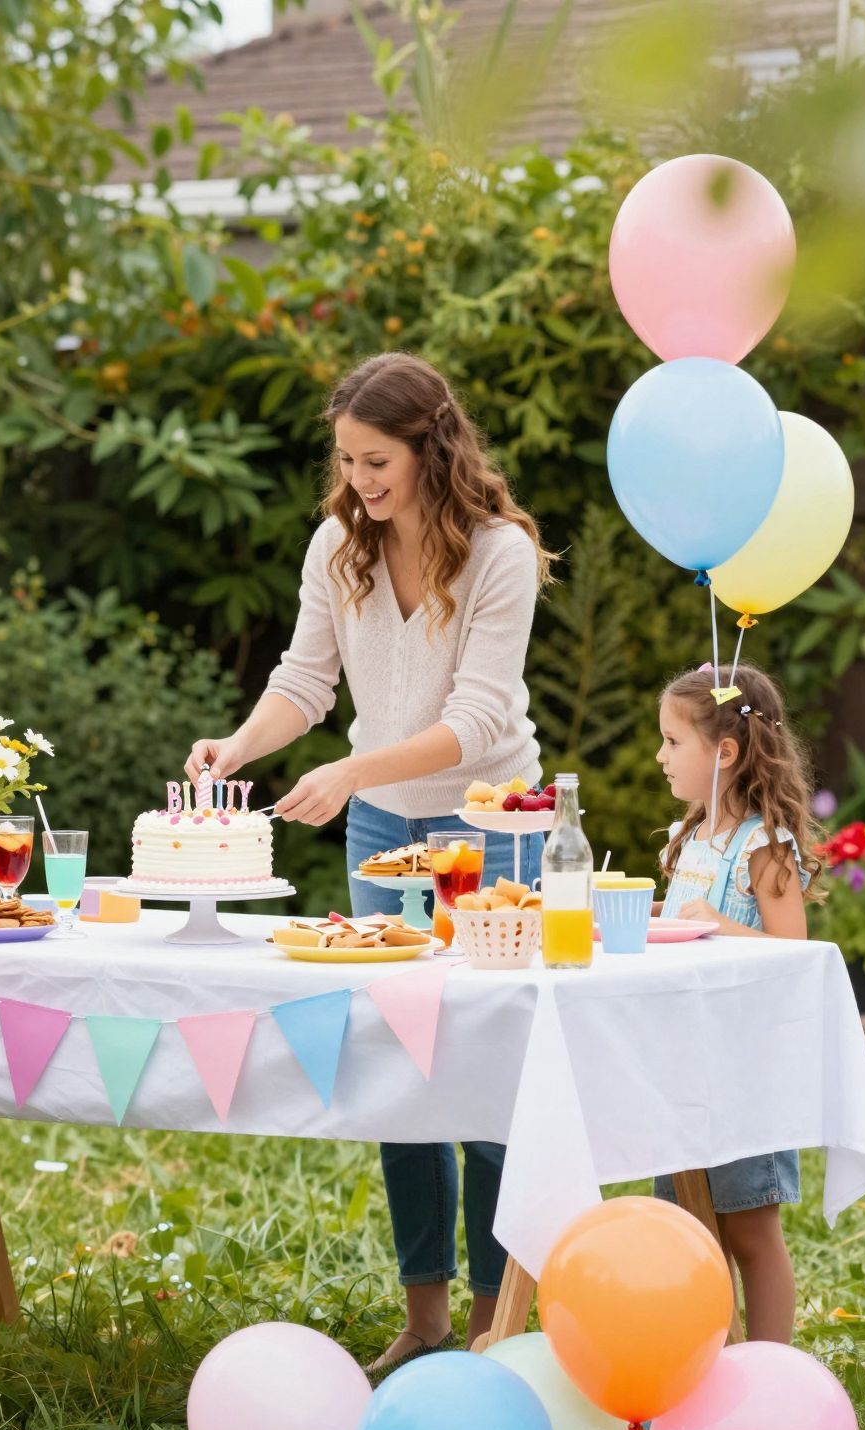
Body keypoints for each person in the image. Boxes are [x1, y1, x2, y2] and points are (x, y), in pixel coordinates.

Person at [185, 352, 554, 1369]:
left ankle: (495, 1323)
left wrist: (349, 770)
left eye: (376, 459)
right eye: (346, 462)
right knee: (404, 1079)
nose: (359, 482)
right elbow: (303, 679)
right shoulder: (335, 550)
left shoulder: (498, 555)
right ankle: (425, 1317)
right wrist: (239, 746)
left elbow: (476, 722)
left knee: (481, 1080)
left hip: (488, 830)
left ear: (431, 449)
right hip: (380, 833)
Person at [653, 662, 819, 1344]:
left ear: (723, 753)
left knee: (751, 1228)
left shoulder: (764, 847)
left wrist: (721, 926)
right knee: (690, 1229)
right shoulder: (688, 840)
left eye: (671, 741)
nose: (660, 756)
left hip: (746, 1073)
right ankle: (705, 1360)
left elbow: (792, 955)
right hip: (683, 1066)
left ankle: (771, 1369)